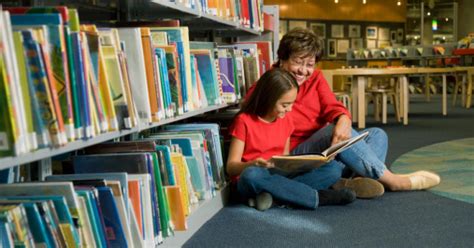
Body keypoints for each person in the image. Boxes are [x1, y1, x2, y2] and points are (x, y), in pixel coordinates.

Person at [245, 27, 440, 196]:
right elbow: (251, 124)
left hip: (327, 149)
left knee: (378, 135)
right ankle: (392, 181)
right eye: (298, 62)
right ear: (282, 59)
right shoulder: (268, 85)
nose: (303, 71)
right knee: (333, 131)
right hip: (294, 153)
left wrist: (344, 118)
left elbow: (333, 106)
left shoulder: (315, 79)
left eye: (309, 65)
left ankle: (346, 182)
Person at [226, 68, 356, 211]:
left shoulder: (286, 119)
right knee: (251, 175)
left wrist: (306, 163)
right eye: (285, 105)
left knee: (333, 169)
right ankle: (317, 197)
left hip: (276, 174)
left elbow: (285, 157)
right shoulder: (243, 121)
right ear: (267, 99)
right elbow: (231, 167)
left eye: (292, 103)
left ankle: (272, 197)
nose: (290, 109)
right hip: (254, 176)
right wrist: (252, 164)